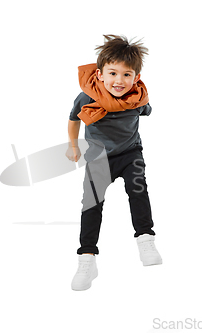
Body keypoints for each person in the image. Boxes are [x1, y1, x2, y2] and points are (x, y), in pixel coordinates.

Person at [66, 34, 162, 291]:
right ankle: (87, 257)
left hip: (131, 153)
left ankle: (145, 237)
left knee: (138, 189)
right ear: (99, 74)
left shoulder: (138, 98)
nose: (119, 81)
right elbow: (74, 118)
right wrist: (73, 145)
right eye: (113, 73)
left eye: (126, 75)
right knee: (91, 205)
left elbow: (146, 111)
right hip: (98, 158)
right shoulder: (88, 97)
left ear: (136, 78)